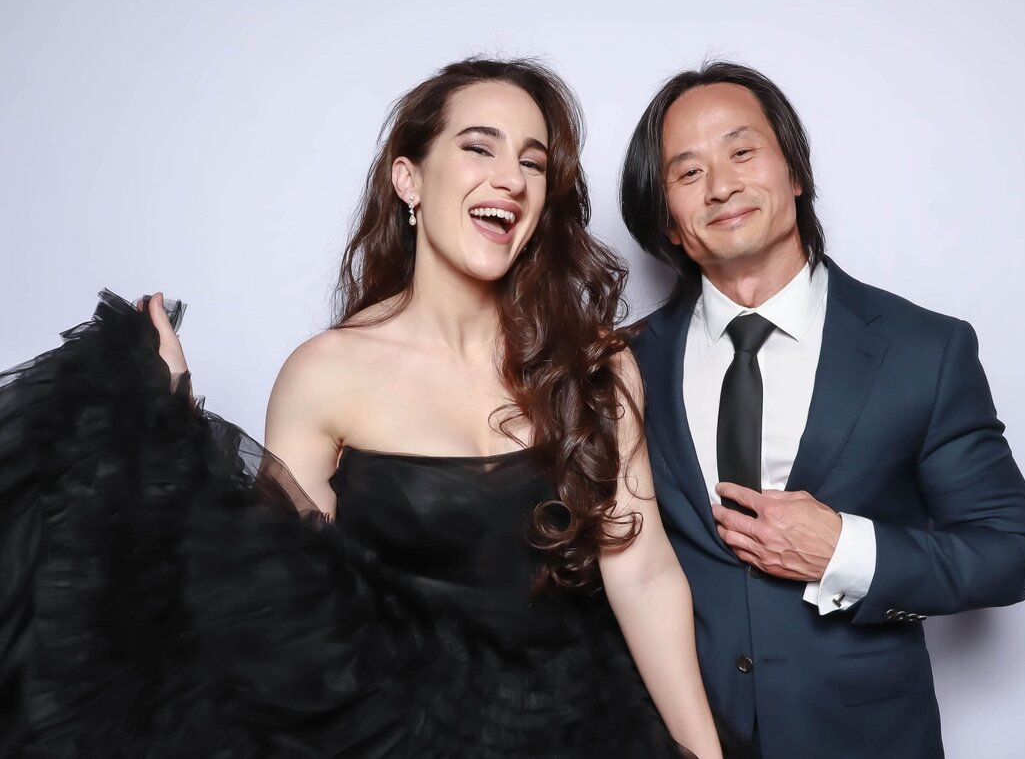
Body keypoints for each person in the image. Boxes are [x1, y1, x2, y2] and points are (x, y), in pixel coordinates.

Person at [0, 58, 732, 759]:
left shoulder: (593, 364)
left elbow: (643, 574)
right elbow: (274, 599)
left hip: (588, 726)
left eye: (532, 162)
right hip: (402, 734)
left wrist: (702, 753)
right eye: (480, 147)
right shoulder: (327, 373)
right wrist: (171, 428)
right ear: (409, 179)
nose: (510, 178)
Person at [620, 61, 1025, 759]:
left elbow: (1011, 553)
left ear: (796, 172)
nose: (722, 185)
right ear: (667, 219)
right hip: (668, 739)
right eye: (688, 172)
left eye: (741, 152)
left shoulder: (924, 350)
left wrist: (845, 550)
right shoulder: (625, 364)